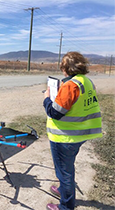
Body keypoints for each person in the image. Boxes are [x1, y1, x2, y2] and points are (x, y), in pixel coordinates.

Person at [43, 51, 102, 210]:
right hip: (79, 134)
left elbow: (55, 112)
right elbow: (77, 104)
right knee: (67, 167)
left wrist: (47, 98)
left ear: (66, 68)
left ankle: (66, 207)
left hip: (64, 137)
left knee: (64, 173)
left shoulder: (70, 85)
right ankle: (63, 190)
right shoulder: (86, 81)